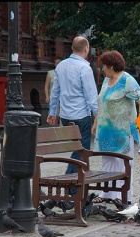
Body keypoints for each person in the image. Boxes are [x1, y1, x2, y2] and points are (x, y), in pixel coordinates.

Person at [91, 50, 140, 205]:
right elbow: (101, 103)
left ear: (111, 66)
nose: (102, 69)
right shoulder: (106, 81)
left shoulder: (126, 80)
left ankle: (124, 195)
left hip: (123, 131)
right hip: (105, 130)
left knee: (124, 163)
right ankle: (107, 193)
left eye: (104, 66)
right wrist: (96, 122)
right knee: (108, 162)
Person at [47, 36, 98, 196]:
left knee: (76, 150)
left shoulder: (61, 66)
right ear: (86, 49)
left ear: (72, 48)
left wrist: (51, 112)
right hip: (81, 115)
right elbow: (91, 96)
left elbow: (55, 91)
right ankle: (72, 186)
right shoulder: (85, 68)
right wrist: (97, 117)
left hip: (65, 116)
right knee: (82, 151)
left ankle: (72, 186)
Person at [44, 57, 62, 125]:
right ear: (54, 64)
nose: (58, 64)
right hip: (53, 96)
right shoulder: (50, 73)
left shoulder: (64, 73)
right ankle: (55, 124)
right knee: (55, 113)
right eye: (56, 63)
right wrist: (47, 96)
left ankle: (61, 127)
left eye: (59, 63)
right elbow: (46, 86)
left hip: (62, 96)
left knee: (62, 113)